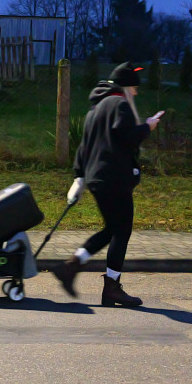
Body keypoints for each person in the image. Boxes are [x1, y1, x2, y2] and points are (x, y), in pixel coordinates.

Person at [52, 62, 163, 307]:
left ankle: (72, 266)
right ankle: (111, 287)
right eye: (134, 88)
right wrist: (148, 126)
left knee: (112, 229)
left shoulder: (95, 110)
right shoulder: (120, 105)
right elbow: (128, 137)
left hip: (97, 178)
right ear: (125, 87)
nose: (135, 93)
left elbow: (83, 147)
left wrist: (79, 177)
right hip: (115, 178)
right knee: (121, 231)